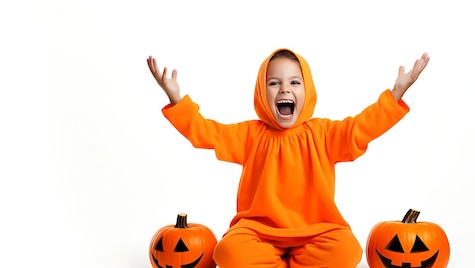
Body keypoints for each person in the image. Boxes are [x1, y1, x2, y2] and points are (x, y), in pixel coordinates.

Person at [146, 48, 430, 268]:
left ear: (307, 92)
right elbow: (205, 132)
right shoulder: (250, 134)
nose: (284, 89)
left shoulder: (324, 134)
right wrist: (177, 101)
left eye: (295, 82)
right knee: (228, 251)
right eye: (274, 83)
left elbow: (362, 127)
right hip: (258, 232)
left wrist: (394, 96)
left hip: (317, 232)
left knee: (348, 249)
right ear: (261, 92)